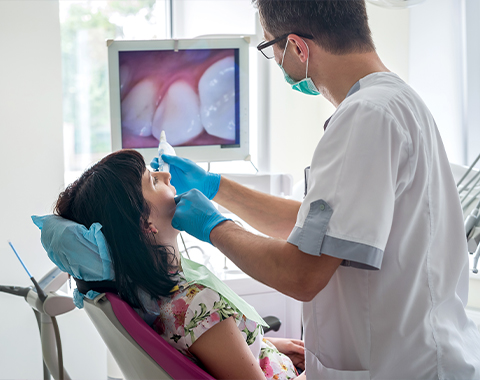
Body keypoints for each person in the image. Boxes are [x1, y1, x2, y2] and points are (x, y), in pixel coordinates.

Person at [159, 0, 480, 379]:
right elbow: (322, 231)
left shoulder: (366, 117)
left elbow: (302, 274)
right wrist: (217, 187)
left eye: (270, 49)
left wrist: (214, 226)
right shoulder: (395, 101)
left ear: (297, 47)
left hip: (401, 365)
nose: (277, 62)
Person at [52, 149, 305, 380]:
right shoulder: (196, 304)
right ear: (145, 224)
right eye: (152, 180)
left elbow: (210, 350)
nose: (165, 174)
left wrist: (266, 346)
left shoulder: (150, 297)